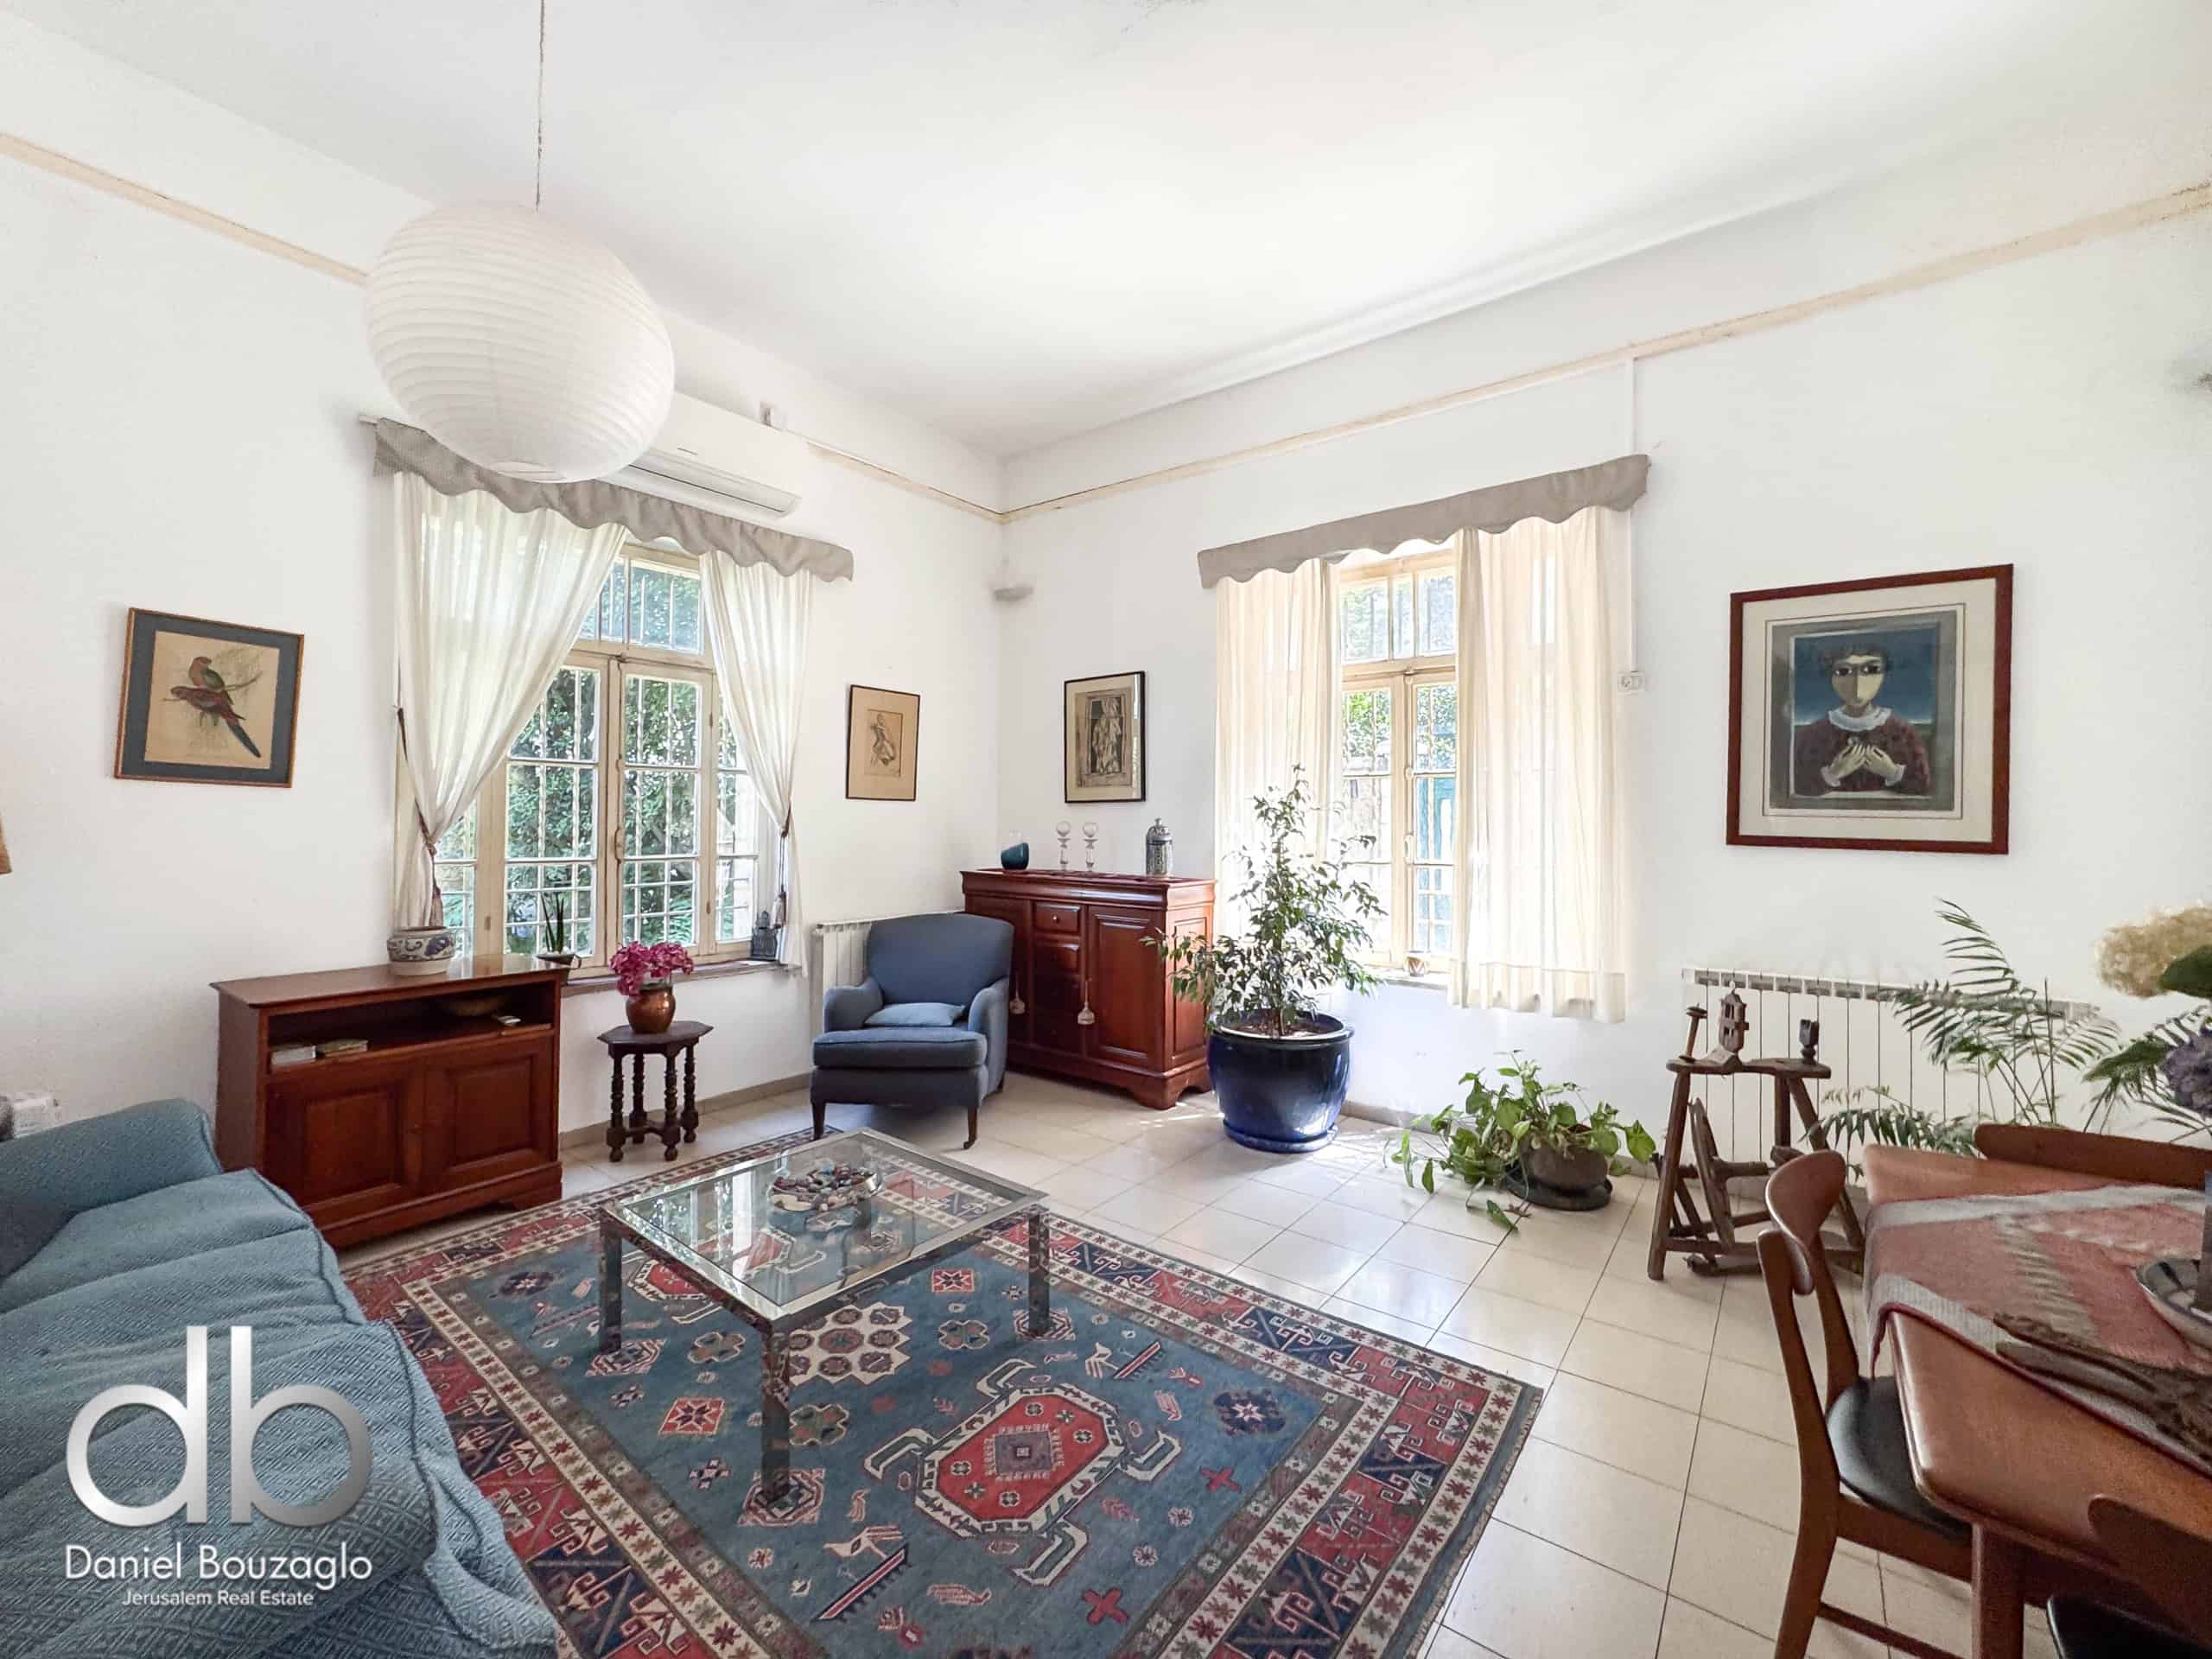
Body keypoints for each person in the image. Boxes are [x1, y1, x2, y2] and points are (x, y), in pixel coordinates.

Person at [1792, 644, 1930, 796]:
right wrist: (1833, 773)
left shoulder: (1903, 733)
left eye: (1872, 670)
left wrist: (1891, 772)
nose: (1857, 684)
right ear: (1831, 677)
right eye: (1843, 671)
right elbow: (1796, 787)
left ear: (1884, 675)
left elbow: (1922, 786)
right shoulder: (1812, 736)